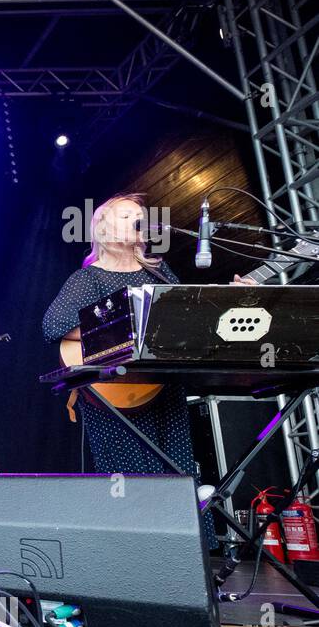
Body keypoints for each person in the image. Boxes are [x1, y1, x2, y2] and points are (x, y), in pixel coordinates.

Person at [43, 194, 254, 545]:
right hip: (114, 393)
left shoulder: (157, 270)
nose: (137, 222)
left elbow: (191, 317)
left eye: (140, 217)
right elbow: (54, 325)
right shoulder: (89, 279)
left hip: (162, 387)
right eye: (127, 216)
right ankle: (139, 563)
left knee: (177, 476)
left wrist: (236, 299)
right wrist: (125, 329)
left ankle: (186, 565)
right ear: (102, 227)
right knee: (133, 482)